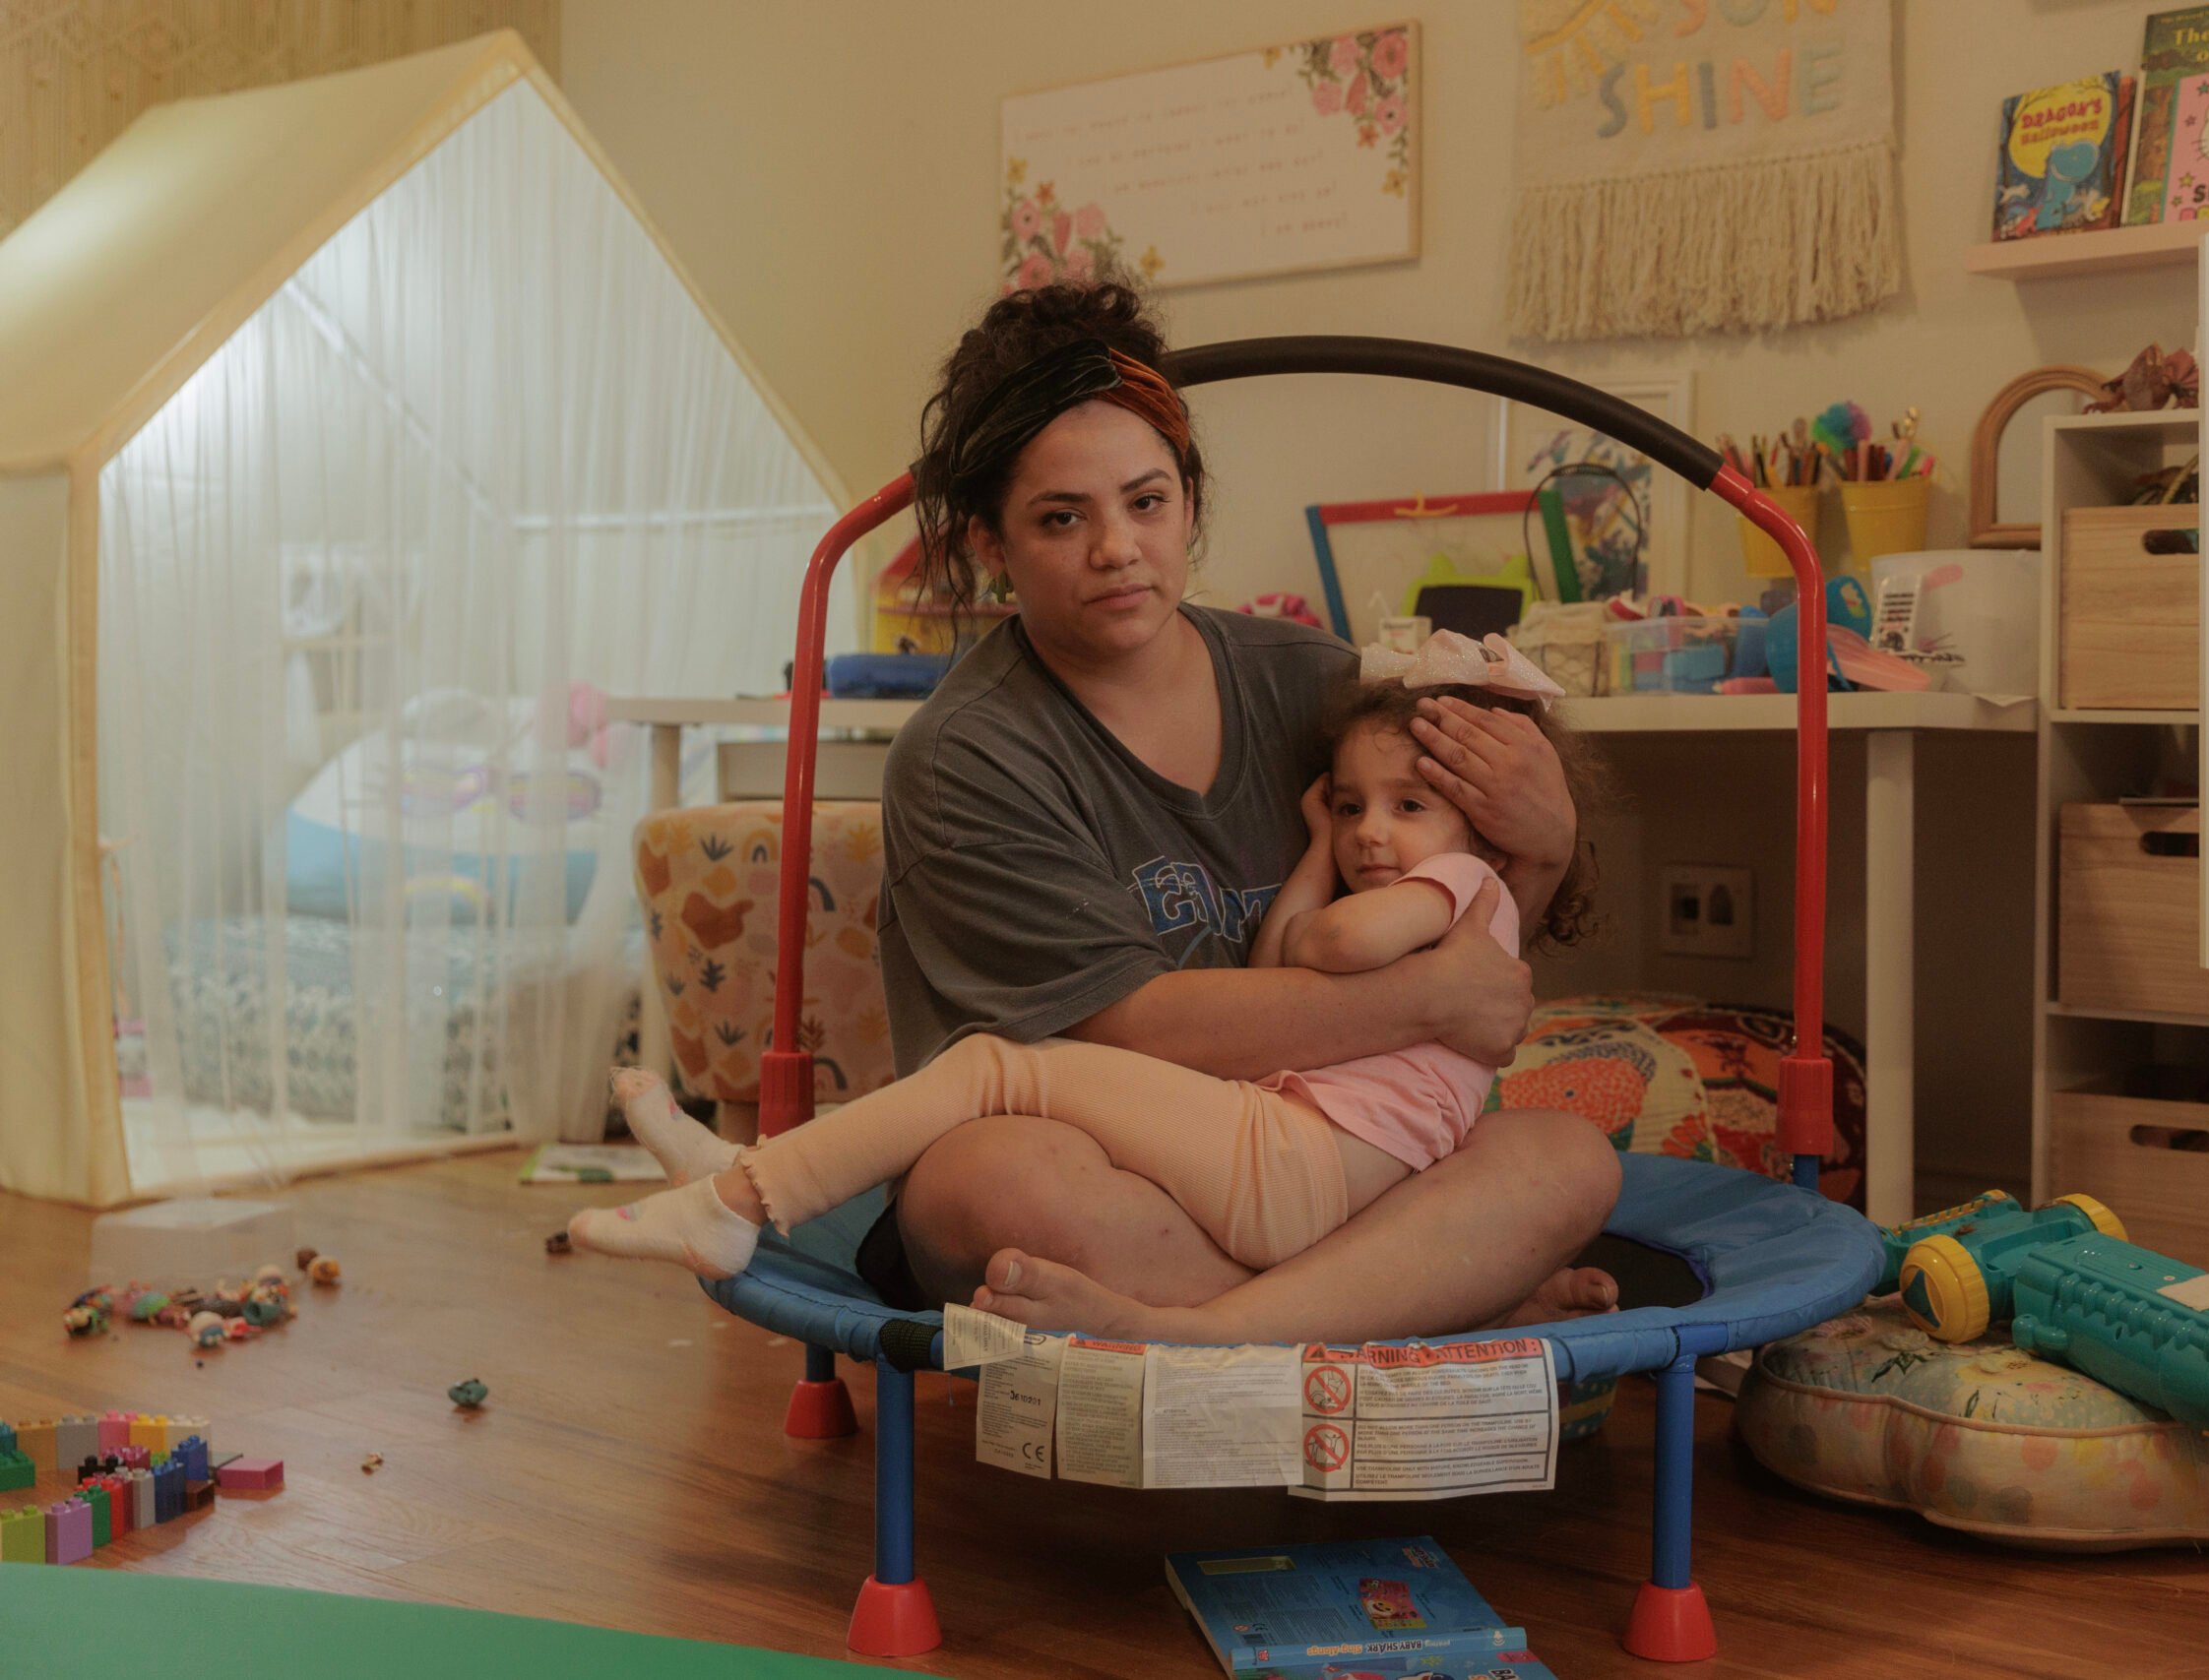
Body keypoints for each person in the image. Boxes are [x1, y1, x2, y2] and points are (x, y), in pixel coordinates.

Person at [618, 282, 1619, 1345]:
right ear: (990, 543)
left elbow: (1482, 972)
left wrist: (1546, 845)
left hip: (1335, 1154)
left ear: (1190, 500)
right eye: (1062, 517)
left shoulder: (1320, 687)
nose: (1116, 549)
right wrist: (1423, 1005)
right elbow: (1122, 1030)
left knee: (1566, 1159)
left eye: (1146, 502)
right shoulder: (969, 755)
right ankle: (1413, 1294)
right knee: (992, 1187)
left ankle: (1203, 1329)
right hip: (1122, 1165)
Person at [573, 656, 1607, 1350]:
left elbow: (1334, 946)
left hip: (1305, 1165)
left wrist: (1534, 844)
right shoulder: (972, 746)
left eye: (1407, 808)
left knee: (996, 1064)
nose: (1372, 834)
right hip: (1294, 1160)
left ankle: (742, 1195)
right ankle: (1437, 1301)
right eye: (1353, 807)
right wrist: (1323, 850)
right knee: (999, 1139)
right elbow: (1286, 949)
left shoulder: (1457, 886)